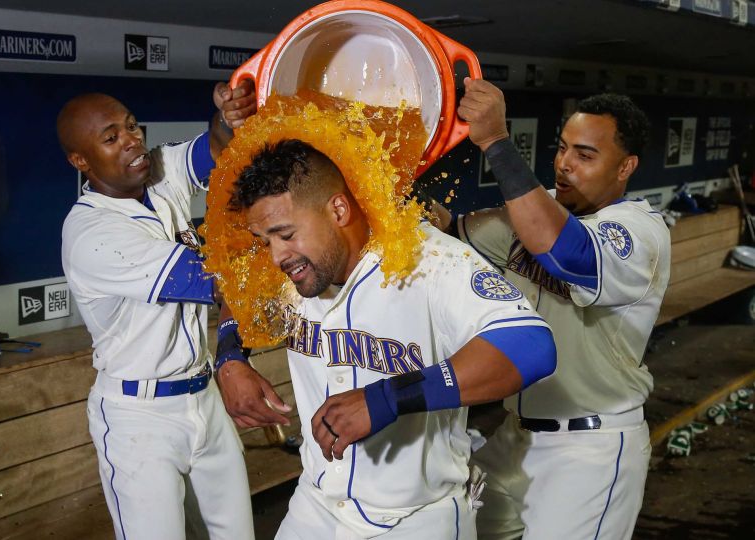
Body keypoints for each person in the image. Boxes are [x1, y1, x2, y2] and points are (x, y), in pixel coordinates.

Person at [215, 138, 557, 539]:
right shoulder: (290, 264)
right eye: (265, 241)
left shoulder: (424, 257)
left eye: (285, 234)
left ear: (338, 209)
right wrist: (229, 357)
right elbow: (237, 289)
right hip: (316, 502)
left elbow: (531, 345)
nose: (275, 256)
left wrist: (388, 398)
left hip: (415, 517)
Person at [453, 78, 670, 540]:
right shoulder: (537, 209)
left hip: (589, 448)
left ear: (625, 166)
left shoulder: (638, 231)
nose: (565, 165)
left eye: (586, 155)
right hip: (514, 437)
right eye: (563, 148)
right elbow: (448, 240)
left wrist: (494, 141)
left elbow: (566, 252)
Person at [58, 80, 261, 540]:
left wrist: (229, 119)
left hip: (203, 398)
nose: (132, 141)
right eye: (111, 137)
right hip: (139, 417)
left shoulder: (157, 172)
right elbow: (218, 280)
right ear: (81, 161)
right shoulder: (92, 232)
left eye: (131, 127)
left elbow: (218, 147)